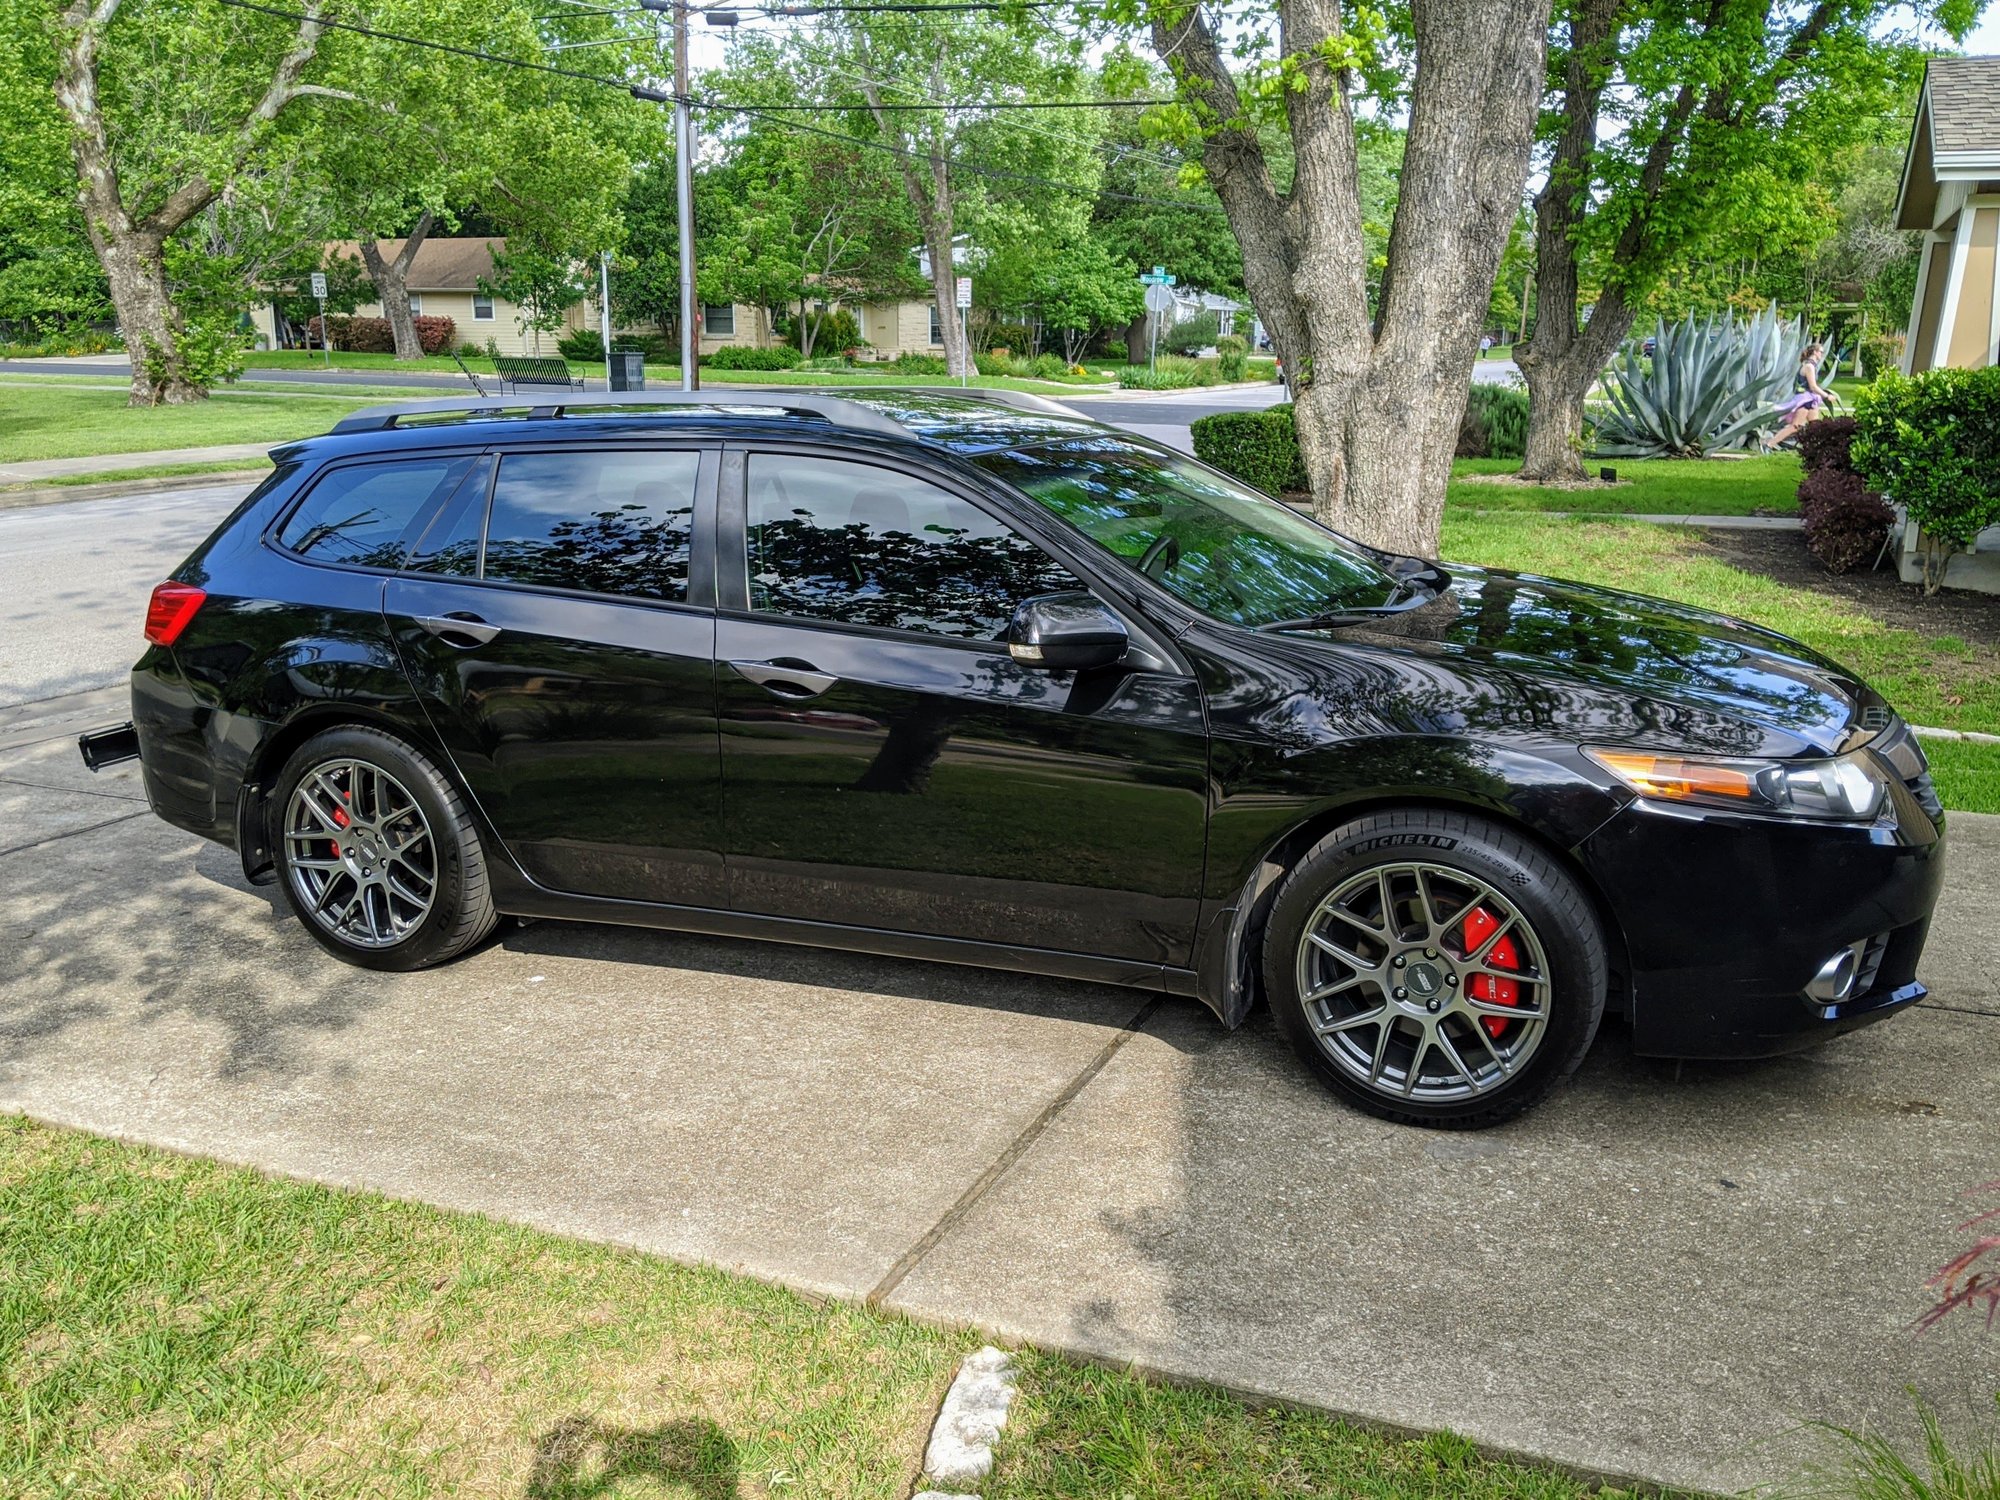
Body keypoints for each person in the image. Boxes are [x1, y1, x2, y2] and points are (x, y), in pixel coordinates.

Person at [1767, 343, 1830, 450]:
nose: (1822, 354)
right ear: (1815, 352)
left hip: (1811, 400)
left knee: (1815, 426)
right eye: (1821, 352)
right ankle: (1769, 444)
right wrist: (1827, 396)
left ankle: (1814, 450)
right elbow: (1813, 387)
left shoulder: (1811, 365)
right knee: (1795, 427)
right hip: (1805, 401)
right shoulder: (1809, 366)